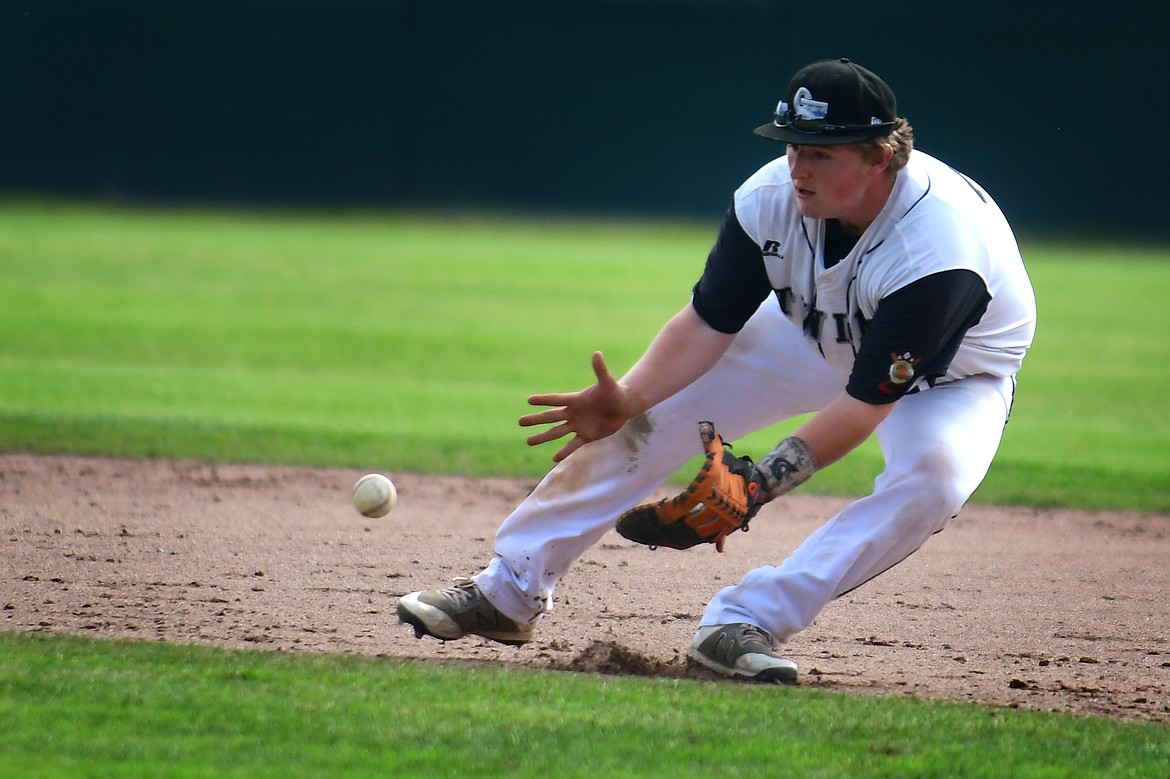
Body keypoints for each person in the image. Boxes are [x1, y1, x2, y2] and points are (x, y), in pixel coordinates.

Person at [397, 57, 1037, 684]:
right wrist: (631, 396)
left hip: (950, 376)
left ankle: (746, 621)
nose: (797, 167)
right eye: (792, 145)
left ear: (880, 156)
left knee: (934, 481)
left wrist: (756, 486)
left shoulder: (938, 253)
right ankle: (508, 591)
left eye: (821, 152)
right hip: (810, 333)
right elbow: (708, 325)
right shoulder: (770, 200)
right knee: (644, 411)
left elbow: (864, 405)